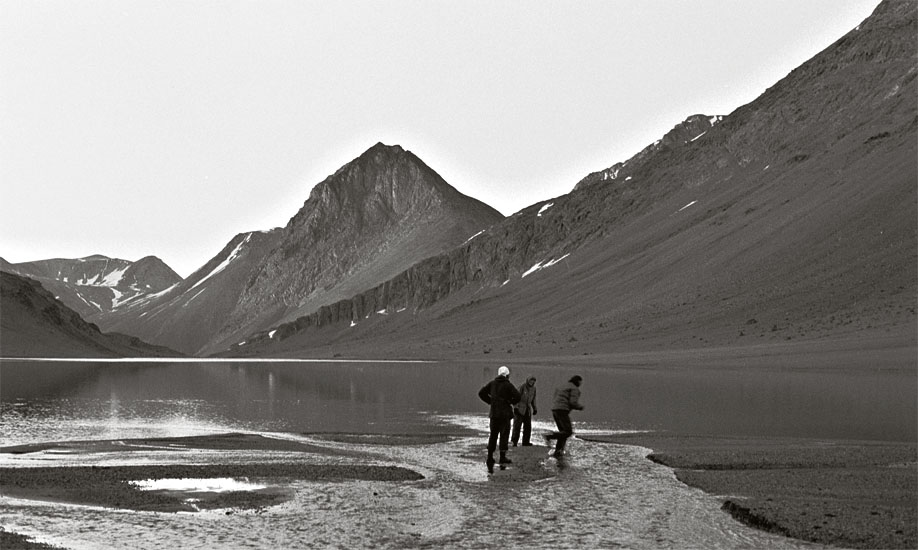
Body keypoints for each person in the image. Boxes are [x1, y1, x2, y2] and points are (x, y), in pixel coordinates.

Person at [478, 365, 521, 471]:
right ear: (507, 375)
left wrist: (491, 402)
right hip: (505, 415)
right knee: (504, 435)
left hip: (494, 414)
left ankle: (490, 457)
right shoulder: (508, 385)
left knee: (493, 435)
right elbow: (518, 397)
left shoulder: (492, 384)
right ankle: (502, 457)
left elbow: (481, 393)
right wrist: (510, 402)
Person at [545, 375, 584, 458]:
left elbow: (555, 397)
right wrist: (580, 407)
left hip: (555, 409)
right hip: (562, 410)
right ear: (577, 381)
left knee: (562, 432)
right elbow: (572, 402)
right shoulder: (574, 389)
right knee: (568, 432)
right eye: (580, 382)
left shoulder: (562, 386)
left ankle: (558, 451)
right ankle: (550, 436)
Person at [511, 376, 538, 447]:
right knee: (517, 426)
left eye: (533, 381)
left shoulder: (534, 389)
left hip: (527, 409)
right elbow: (515, 397)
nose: (532, 382)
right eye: (531, 381)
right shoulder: (522, 387)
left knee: (528, 426)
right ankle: (514, 442)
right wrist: (516, 407)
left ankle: (526, 442)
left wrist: (535, 408)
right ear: (528, 381)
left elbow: (533, 399)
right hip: (519, 408)